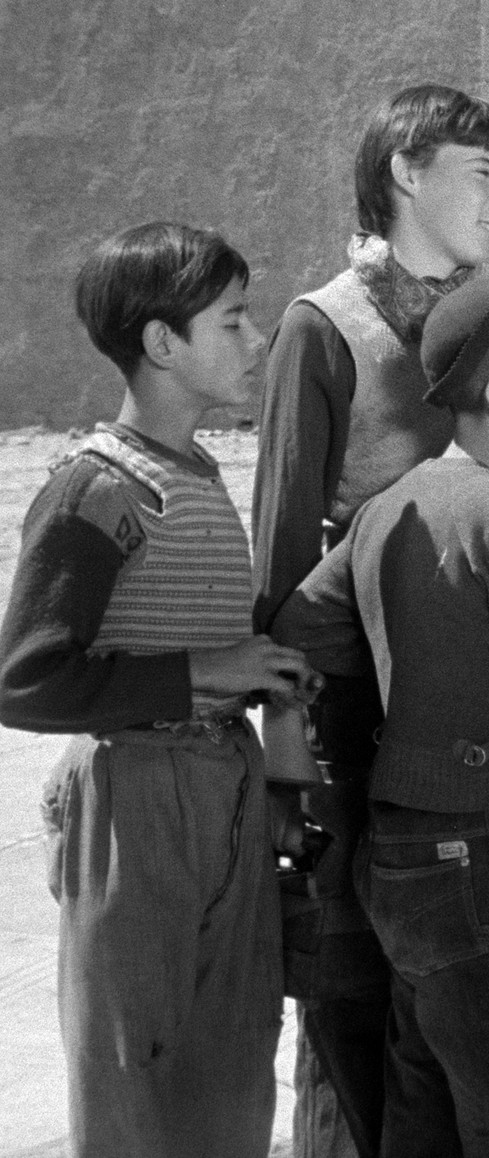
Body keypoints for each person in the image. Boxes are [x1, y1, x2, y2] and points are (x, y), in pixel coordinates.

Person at [249, 83, 489, 1157]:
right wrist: (287, 757)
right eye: (482, 173)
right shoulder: (323, 327)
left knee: (453, 1040)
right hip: (350, 718)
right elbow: (282, 571)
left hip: (464, 726)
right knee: (355, 1024)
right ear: (404, 173)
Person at [0, 222, 318, 1157]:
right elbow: (26, 680)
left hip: (224, 786)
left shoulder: (198, 475)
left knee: (232, 1062)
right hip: (137, 798)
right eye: (232, 320)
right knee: (133, 1074)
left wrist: (260, 684)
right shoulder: (98, 487)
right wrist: (211, 671)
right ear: (162, 343)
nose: (256, 338)